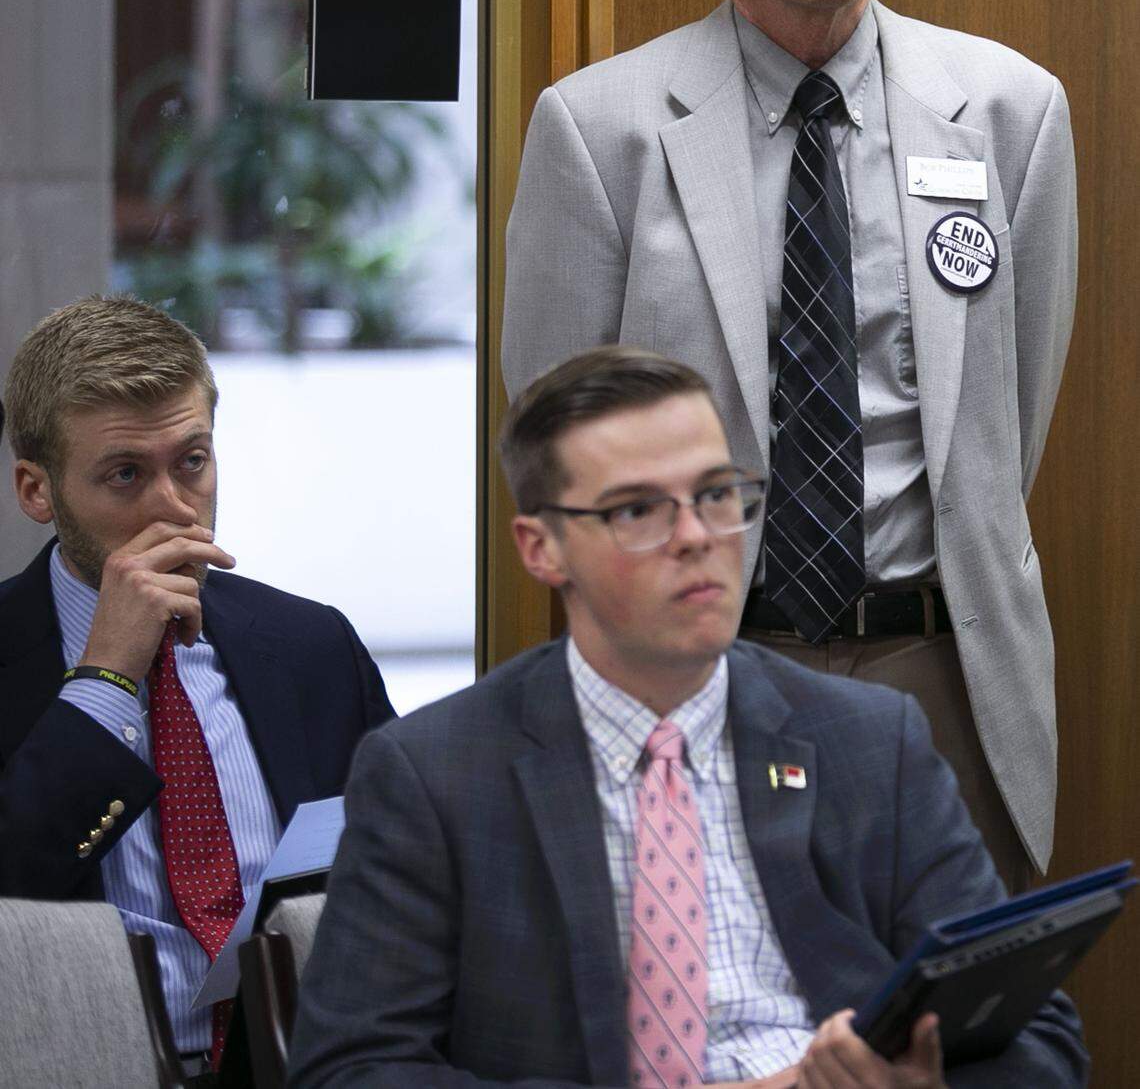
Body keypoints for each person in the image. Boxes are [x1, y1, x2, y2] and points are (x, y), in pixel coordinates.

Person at [501, 0, 1077, 892]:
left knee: (957, 1030)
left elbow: (1016, 407)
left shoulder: (1009, 109)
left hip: (939, 663)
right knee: (712, 1008)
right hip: (707, 652)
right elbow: (556, 433)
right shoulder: (601, 128)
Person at [287, 347, 1085, 1088]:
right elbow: (351, 1069)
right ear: (541, 548)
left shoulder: (872, 739)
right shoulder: (434, 772)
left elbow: (1041, 1037)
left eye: (716, 495)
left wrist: (928, 1080)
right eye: (638, 510)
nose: (698, 537)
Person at [0, 295, 395, 1074]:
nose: (175, 506)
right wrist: (106, 678)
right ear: (36, 491)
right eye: (124, 474)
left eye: (192, 460)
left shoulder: (313, 646)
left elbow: (402, 876)